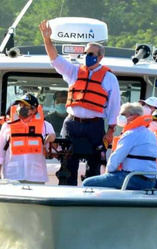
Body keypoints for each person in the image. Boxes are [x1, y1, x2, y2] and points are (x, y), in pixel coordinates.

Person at [39, 20, 121, 186]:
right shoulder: (74, 71)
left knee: (95, 162)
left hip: (95, 125)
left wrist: (111, 129)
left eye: (91, 54)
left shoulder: (109, 78)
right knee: (68, 161)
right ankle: (66, 190)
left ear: (100, 57)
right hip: (72, 124)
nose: (87, 56)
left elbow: (114, 105)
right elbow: (55, 60)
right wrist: (47, 40)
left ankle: (92, 190)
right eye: (86, 53)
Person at [82, 103, 157, 190]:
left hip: (133, 178)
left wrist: (108, 173)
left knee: (87, 183)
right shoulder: (150, 133)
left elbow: (116, 158)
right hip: (149, 180)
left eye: (123, 114)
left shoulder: (131, 134)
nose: (120, 117)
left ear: (134, 116)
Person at [0, 93, 56, 184]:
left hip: (37, 176)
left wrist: (48, 139)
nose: (21, 108)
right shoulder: (7, 126)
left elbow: (52, 137)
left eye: (25, 106)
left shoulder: (45, 125)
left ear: (34, 109)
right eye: (20, 105)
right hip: (12, 176)